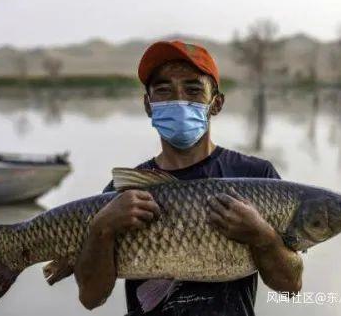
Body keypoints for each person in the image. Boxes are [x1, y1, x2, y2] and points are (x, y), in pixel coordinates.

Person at [74, 40, 303, 316]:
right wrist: (101, 229)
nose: (179, 99)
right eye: (163, 90)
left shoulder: (256, 176)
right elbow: (91, 298)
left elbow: (290, 287)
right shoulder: (124, 190)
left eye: (193, 89)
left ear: (216, 103)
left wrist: (262, 235)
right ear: (148, 105)